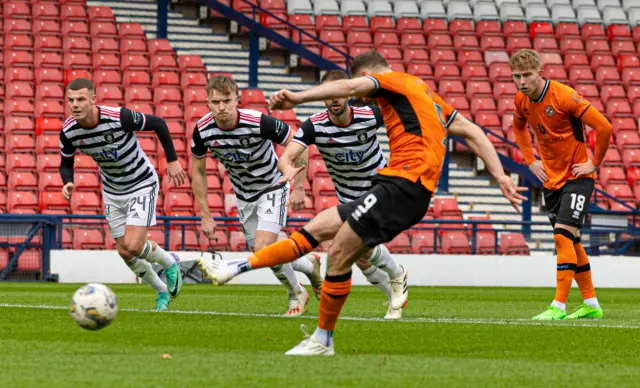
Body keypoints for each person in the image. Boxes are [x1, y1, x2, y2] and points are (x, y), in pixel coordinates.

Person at [198, 51, 526, 355]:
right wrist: (500, 177)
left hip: (402, 184)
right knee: (320, 229)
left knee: (340, 253)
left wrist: (296, 97)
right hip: (392, 187)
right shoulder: (424, 93)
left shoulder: (389, 82)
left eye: (359, 92)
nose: (357, 96)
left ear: (370, 76)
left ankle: (325, 337)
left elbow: (355, 84)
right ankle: (235, 268)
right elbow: (474, 133)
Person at [282, 69, 408, 320]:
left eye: (340, 91)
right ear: (323, 96)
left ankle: (397, 275)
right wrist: (290, 174)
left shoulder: (370, 115)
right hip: (348, 197)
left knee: (358, 244)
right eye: (330, 93)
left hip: (378, 189)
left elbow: (404, 117)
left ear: (349, 93)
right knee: (359, 258)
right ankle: (394, 297)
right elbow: (288, 154)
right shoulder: (314, 126)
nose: (335, 98)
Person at [192, 75, 322, 316]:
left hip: (272, 186)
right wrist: (205, 215)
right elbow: (198, 172)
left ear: (237, 100)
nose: (221, 107)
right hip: (244, 195)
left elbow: (299, 142)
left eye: (227, 101)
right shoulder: (202, 130)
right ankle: (308, 264)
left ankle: (297, 293)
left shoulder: (259, 122)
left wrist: (300, 187)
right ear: (208, 102)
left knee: (263, 247)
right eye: (215, 101)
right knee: (261, 253)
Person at [59, 78, 187, 311]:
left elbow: (158, 123)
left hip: (141, 182)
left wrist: (172, 161)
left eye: (80, 99)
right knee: (124, 251)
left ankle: (170, 263)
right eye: (71, 100)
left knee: (135, 246)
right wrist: (67, 182)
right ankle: (161, 292)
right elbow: (65, 162)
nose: (75, 104)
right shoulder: (69, 131)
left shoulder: (118, 118)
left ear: (93, 100)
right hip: (112, 190)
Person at [509, 49, 612, 320]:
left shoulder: (564, 96)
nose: (522, 82)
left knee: (562, 235)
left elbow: (605, 127)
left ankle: (558, 306)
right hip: (551, 180)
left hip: (578, 177)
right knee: (573, 242)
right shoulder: (521, 100)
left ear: (539, 73)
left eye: (527, 75)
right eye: (517, 76)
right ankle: (591, 304)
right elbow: (518, 129)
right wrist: (529, 160)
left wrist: (594, 163)